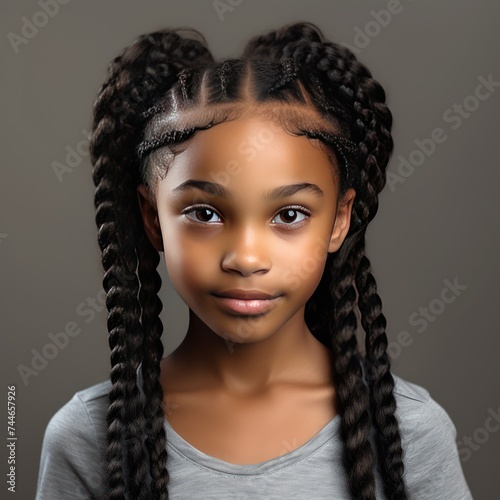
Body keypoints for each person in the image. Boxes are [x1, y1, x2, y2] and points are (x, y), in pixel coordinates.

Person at [35, 21, 473, 499]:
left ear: (339, 220)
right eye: (204, 213)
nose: (246, 258)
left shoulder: (410, 433)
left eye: (289, 214)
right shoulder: (88, 438)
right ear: (152, 217)